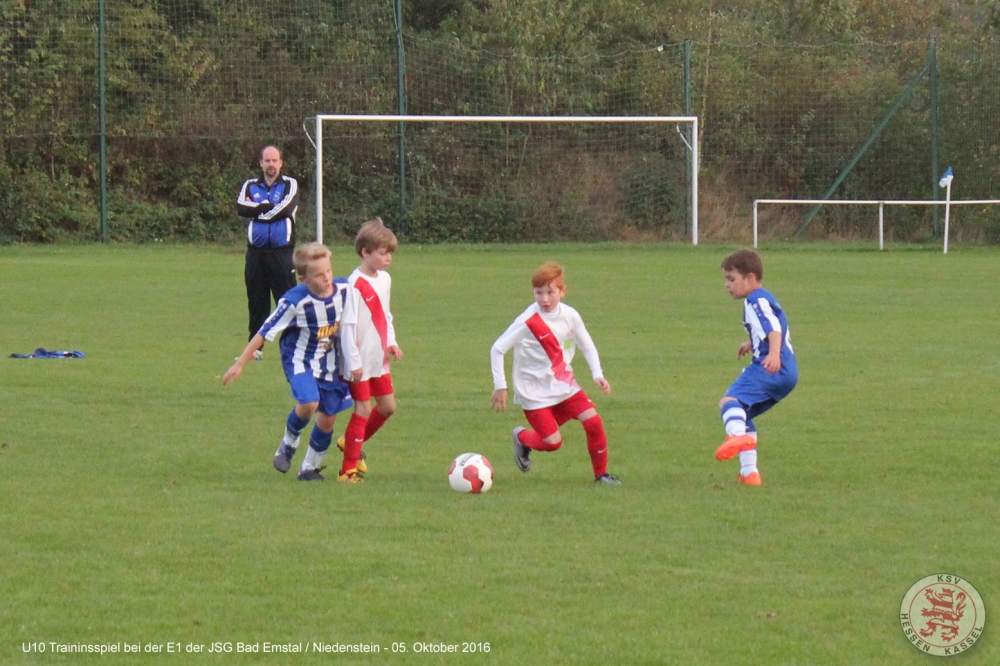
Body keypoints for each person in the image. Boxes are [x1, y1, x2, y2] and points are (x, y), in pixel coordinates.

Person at [223, 243, 353, 481]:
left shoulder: (344, 289)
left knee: (327, 420)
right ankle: (288, 443)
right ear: (303, 278)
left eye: (328, 271)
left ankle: (309, 469)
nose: (326, 278)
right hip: (300, 361)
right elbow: (265, 330)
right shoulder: (295, 301)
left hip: (331, 364)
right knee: (310, 402)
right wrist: (240, 362)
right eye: (318, 274)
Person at [490, 262, 619, 484]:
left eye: (550, 292)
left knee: (594, 422)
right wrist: (500, 385)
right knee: (553, 443)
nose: (544, 299)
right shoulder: (527, 322)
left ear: (563, 291)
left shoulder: (571, 315)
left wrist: (597, 374)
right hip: (533, 391)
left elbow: (586, 344)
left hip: (563, 384)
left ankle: (601, 475)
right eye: (539, 293)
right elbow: (497, 348)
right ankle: (521, 437)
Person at [715, 249, 798, 486]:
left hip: (771, 367)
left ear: (750, 278)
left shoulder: (755, 300)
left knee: (729, 402)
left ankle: (735, 437)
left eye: (732, 279)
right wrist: (752, 342)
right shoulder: (764, 297)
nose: (727, 285)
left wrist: (772, 354)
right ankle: (749, 474)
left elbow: (774, 328)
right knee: (744, 412)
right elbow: (773, 325)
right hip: (788, 372)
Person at [336, 217, 403, 483]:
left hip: (378, 358)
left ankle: (349, 440)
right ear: (365, 252)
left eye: (390, 254)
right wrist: (352, 361)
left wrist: (392, 342)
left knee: (387, 407)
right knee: (362, 410)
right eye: (383, 253)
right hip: (359, 360)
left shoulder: (384, 280)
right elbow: (348, 327)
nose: (388, 259)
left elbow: (385, 315)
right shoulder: (354, 285)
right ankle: (347, 470)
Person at [235, 145, 300, 360]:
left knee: (288, 300)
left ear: (281, 163)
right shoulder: (250, 185)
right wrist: (266, 206)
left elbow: (284, 209)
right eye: (267, 160)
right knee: (257, 301)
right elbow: (241, 208)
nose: (271, 164)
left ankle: (296, 346)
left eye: (275, 160)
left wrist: (258, 210)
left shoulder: (290, 184)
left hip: (282, 253)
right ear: (261, 163)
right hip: (256, 254)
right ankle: (255, 350)